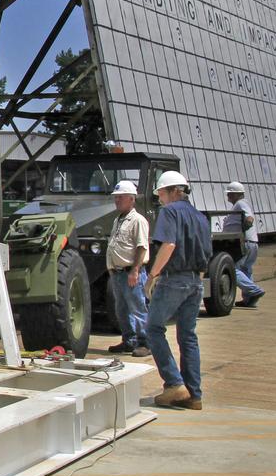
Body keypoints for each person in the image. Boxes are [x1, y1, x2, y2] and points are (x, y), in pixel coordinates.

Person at [144, 170, 211, 410]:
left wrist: (152, 276)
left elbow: (169, 244)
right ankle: (194, 395)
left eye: (160, 193)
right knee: (188, 336)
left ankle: (174, 384)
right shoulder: (200, 217)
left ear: (173, 191)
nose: (159, 198)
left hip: (174, 279)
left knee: (152, 328)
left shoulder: (169, 212)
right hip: (195, 281)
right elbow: (206, 253)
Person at [105, 180, 150, 358]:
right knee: (121, 309)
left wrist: (135, 270)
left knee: (138, 308)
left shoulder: (138, 220)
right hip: (118, 273)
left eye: (120, 197)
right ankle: (129, 340)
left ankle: (145, 343)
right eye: (116, 197)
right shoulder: (118, 219)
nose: (117, 200)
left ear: (131, 199)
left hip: (131, 273)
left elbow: (141, 247)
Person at [223, 181, 265, 307]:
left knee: (232, 269)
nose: (228, 196)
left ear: (236, 194)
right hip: (252, 242)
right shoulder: (240, 204)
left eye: (229, 194)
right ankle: (249, 299)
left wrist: (244, 229)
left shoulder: (241, 203)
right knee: (246, 270)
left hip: (244, 242)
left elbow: (249, 217)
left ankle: (254, 290)